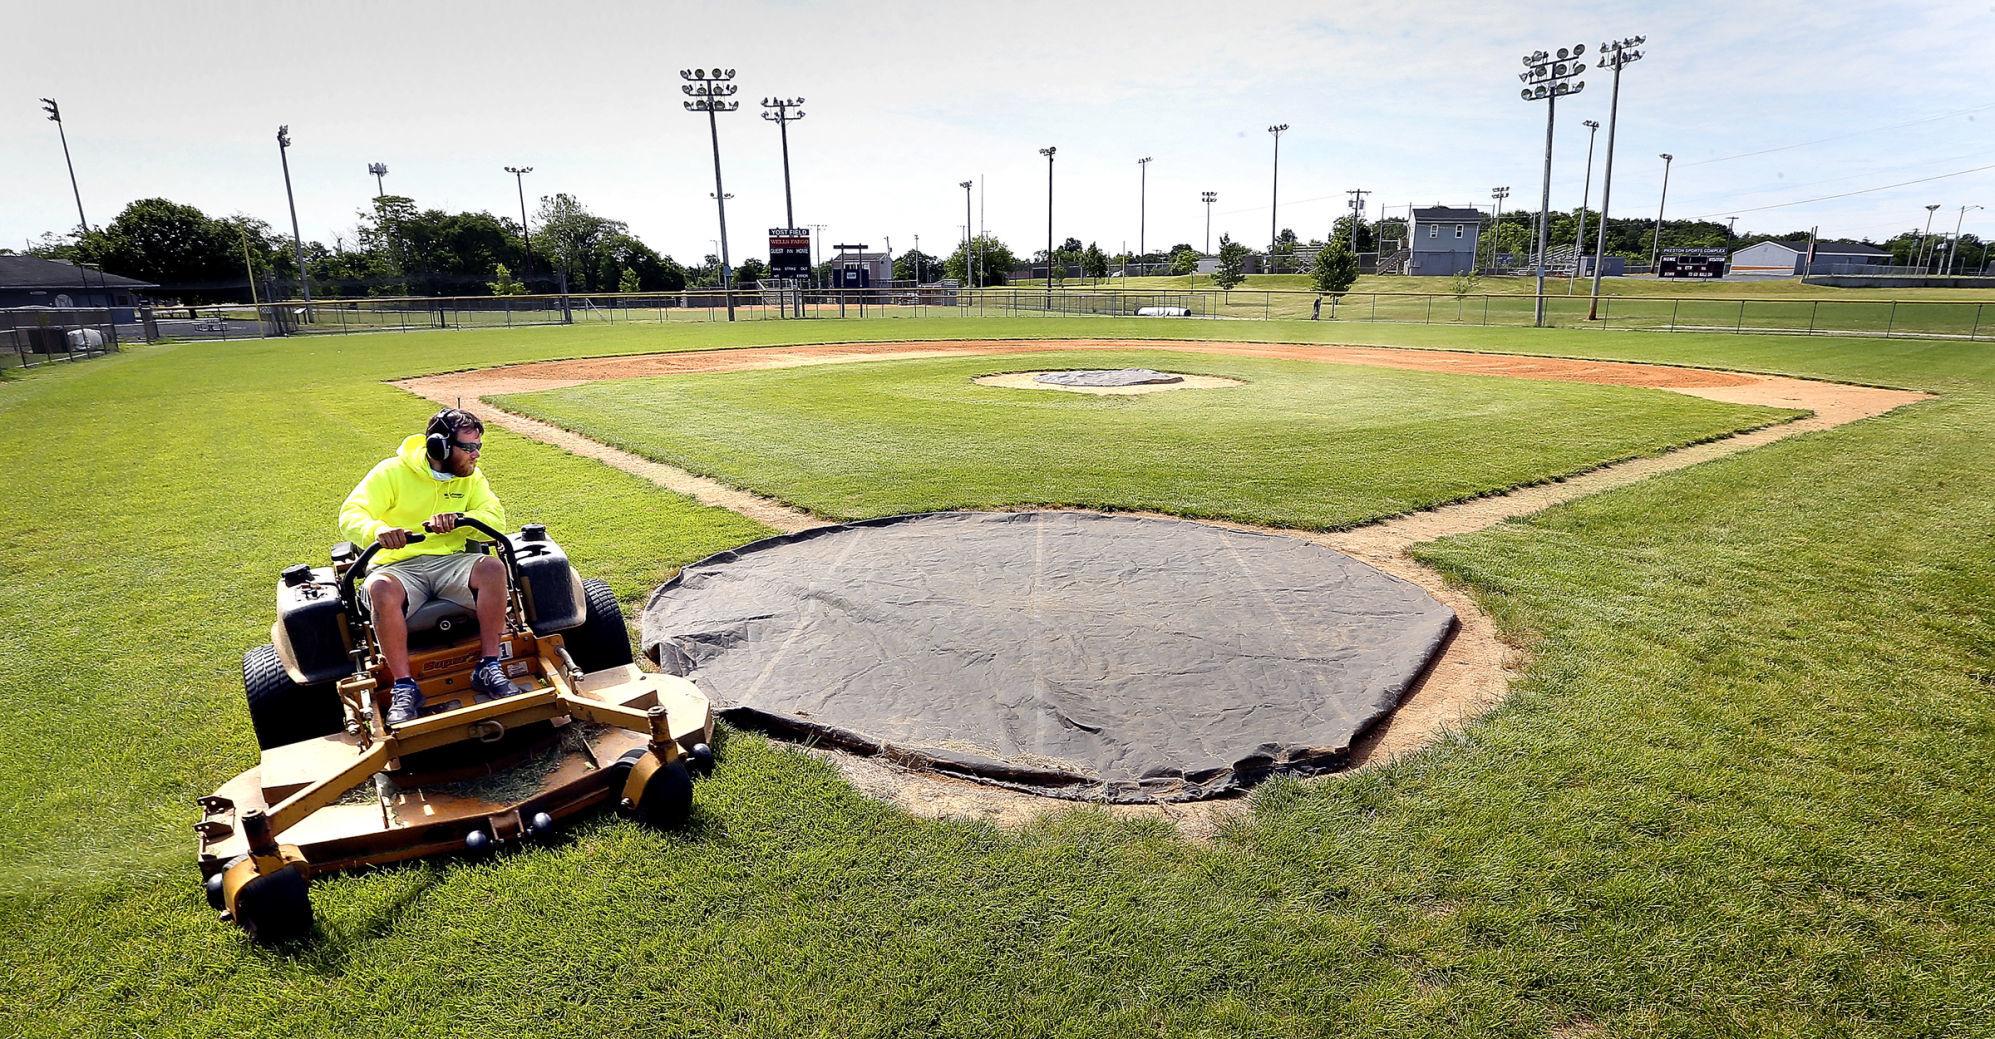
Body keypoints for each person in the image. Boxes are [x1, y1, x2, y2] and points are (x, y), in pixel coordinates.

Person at [338, 408, 512, 726]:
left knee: (493, 569)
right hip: (398, 566)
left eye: (479, 448)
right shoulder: (391, 473)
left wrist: (461, 522)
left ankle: (489, 665)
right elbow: (351, 514)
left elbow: (495, 519)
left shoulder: (472, 479)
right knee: (379, 587)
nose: (476, 455)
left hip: (450, 561)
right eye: (468, 448)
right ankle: (405, 687)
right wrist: (377, 531)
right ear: (440, 448)